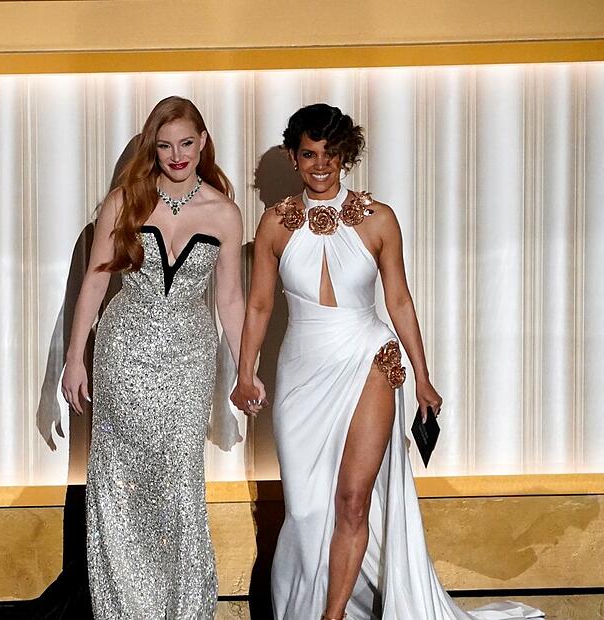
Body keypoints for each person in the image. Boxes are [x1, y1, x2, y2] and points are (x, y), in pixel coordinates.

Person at [231, 104, 541, 620]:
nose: (321, 165)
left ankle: (332, 617)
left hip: (370, 361)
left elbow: (398, 299)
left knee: (353, 499)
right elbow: (260, 304)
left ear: (345, 155)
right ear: (293, 157)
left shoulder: (379, 219)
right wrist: (245, 373)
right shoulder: (274, 224)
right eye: (309, 154)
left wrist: (423, 377)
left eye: (331, 153)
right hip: (302, 374)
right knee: (305, 509)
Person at [61, 95, 260, 619]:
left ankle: (183, 608)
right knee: (118, 480)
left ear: (203, 142)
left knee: (178, 482)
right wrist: (75, 358)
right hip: (124, 352)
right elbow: (95, 281)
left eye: (187, 143)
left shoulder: (224, 212)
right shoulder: (124, 201)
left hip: (189, 359)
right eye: (166, 145)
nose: (177, 156)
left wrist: (246, 369)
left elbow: (230, 299)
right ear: (153, 147)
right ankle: (124, 609)